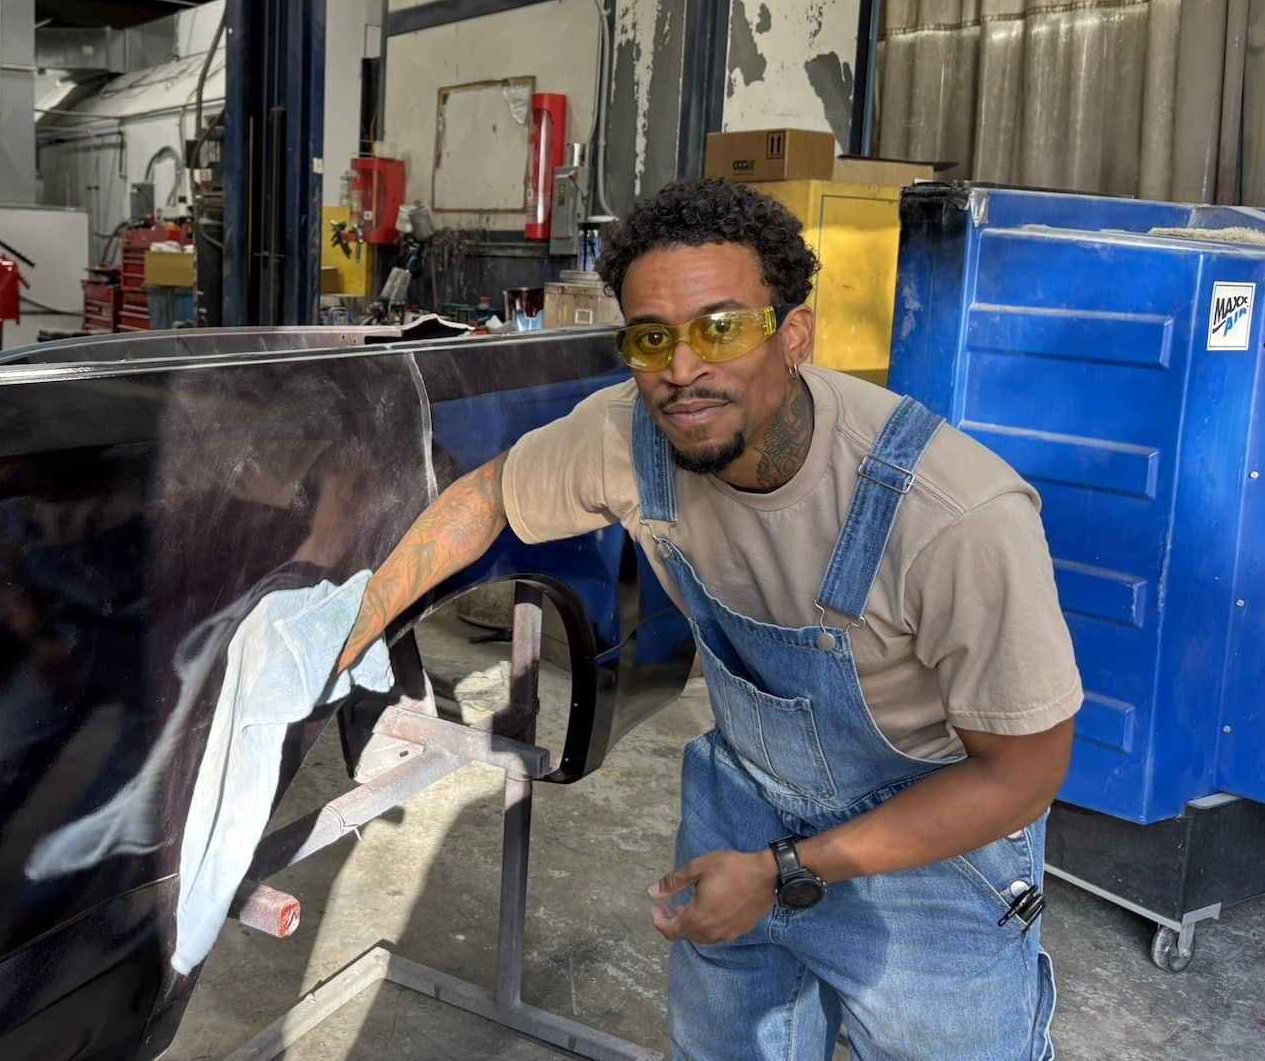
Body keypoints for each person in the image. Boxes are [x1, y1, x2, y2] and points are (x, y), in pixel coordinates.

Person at [335, 178, 1081, 1060]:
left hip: (932, 855)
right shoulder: (630, 436)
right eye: (652, 338)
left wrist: (783, 874)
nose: (682, 369)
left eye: (720, 328)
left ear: (792, 334)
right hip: (745, 806)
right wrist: (347, 628)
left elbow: (1023, 778)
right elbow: (489, 495)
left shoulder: (954, 515)